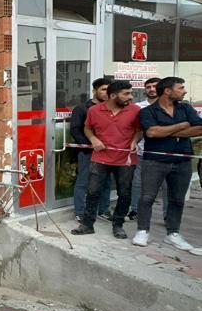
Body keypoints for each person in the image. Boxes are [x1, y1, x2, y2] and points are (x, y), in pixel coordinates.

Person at [133, 77, 202, 250]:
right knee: (147, 197)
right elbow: (152, 132)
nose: (184, 91)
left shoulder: (186, 107)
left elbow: (200, 128)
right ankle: (142, 231)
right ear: (167, 91)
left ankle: (173, 234)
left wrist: (166, 131)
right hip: (154, 161)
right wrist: (181, 126)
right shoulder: (148, 112)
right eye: (181, 88)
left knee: (177, 199)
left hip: (182, 161)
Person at [71, 80, 141, 239]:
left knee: (124, 193)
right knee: (92, 191)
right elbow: (87, 129)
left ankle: (118, 225)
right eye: (126, 93)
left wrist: (136, 140)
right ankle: (87, 225)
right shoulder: (94, 110)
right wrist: (93, 139)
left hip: (126, 159)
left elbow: (139, 130)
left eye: (130, 93)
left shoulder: (135, 110)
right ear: (113, 95)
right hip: (100, 158)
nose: (130, 97)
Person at [70, 78, 112, 223]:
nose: (107, 93)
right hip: (88, 153)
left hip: (109, 153)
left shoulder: (112, 109)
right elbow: (75, 130)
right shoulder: (82, 108)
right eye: (104, 89)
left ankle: (103, 210)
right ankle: (80, 212)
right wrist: (90, 145)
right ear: (95, 91)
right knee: (84, 182)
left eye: (110, 90)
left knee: (106, 182)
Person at [127, 78, 167, 222]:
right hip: (142, 152)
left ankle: (167, 215)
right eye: (148, 87)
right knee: (137, 183)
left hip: (164, 154)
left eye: (154, 86)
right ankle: (135, 210)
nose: (151, 89)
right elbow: (132, 128)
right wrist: (134, 142)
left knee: (166, 186)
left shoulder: (171, 106)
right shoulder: (138, 107)